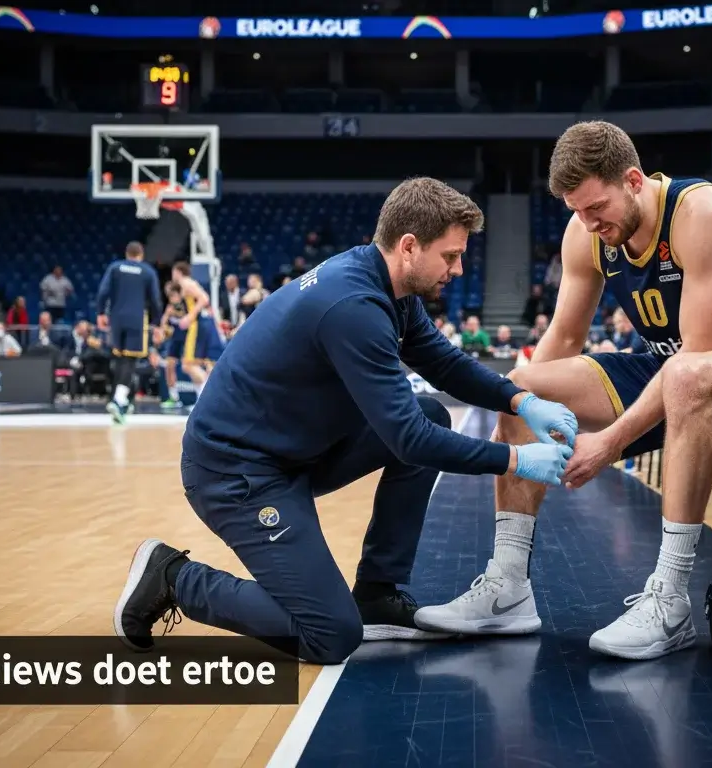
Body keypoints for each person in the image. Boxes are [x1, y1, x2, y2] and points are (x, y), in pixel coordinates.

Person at [112, 177, 578, 664]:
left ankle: (378, 592)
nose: (457, 269)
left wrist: (520, 400)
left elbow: (444, 364)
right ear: (409, 246)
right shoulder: (353, 307)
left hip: (293, 452)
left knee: (431, 412)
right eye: (450, 256)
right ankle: (173, 578)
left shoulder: (386, 285)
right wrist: (515, 459)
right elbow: (410, 441)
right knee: (330, 634)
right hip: (235, 473)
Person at [414, 120, 712, 660]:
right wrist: (523, 413)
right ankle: (508, 588)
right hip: (673, 371)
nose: (588, 222)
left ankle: (670, 600)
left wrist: (610, 443)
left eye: (596, 207)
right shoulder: (586, 231)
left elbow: (698, 359)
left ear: (633, 180)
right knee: (523, 385)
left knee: (688, 377)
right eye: (576, 210)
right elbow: (564, 337)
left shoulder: (703, 213)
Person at [95, 241, 163, 424]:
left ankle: (121, 400)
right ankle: (118, 400)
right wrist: (157, 323)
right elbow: (155, 299)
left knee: (120, 359)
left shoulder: (115, 268)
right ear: (141, 255)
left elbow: (103, 291)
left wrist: (100, 313)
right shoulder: (147, 271)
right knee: (130, 360)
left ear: (126, 253)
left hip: (116, 319)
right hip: (136, 320)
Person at [170, 261, 224, 392]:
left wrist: (190, 317)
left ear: (178, 272)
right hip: (202, 323)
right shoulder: (188, 284)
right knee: (195, 364)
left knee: (188, 365)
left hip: (197, 325)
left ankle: (207, 393)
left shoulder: (186, 282)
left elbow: (204, 298)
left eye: (173, 272)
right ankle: (202, 396)